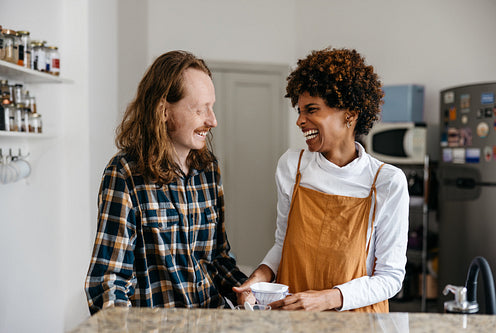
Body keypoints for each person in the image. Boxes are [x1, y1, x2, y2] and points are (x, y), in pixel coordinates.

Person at [234, 48, 408, 312]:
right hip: (294, 322)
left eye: (311, 110)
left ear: (350, 113)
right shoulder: (293, 167)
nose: (300, 121)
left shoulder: (385, 182)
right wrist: (261, 275)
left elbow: (390, 278)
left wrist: (327, 298)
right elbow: (283, 244)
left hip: (358, 324)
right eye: (300, 110)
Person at [85, 50, 247, 314]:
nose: (213, 120)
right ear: (163, 111)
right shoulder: (125, 174)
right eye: (199, 109)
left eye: (212, 106)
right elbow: (108, 281)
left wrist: (246, 289)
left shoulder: (208, 170)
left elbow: (217, 259)